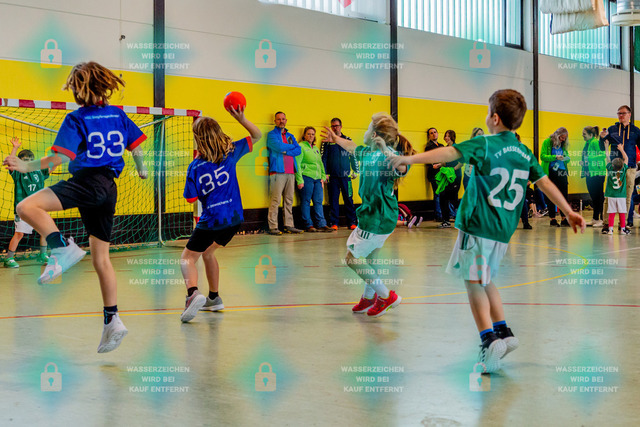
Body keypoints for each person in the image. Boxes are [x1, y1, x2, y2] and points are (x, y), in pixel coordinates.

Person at [390, 89, 585, 373]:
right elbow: (544, 183)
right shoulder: (524, 151)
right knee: (485, 279)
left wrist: (409, 160)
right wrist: (568, 211)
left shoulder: (484, 143)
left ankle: (488, 339)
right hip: (502, 231)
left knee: (472, 282)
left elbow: (449, 152)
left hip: (478, 225)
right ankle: (503, 332)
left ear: (494, 118)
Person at [2, 61, 148, 353]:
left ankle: (61, 249)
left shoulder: (76, 118)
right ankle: (112, 319)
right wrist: (142, 169)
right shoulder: (118, 114)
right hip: (109, 188)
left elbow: (58, 159)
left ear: (78, 90)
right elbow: (137, 146)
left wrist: (24, 165)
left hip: (87, 182)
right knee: (101, 259)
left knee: (26, 207)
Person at [321, 112, 415, 318]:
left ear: (374, 135)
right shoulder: (368, 153)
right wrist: (336, 139)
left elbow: (403, 166)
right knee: (371, 258)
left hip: (378, 217)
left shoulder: (386, 155)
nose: (364, 131)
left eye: (368, 128)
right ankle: (369, 297)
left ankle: (386, 296)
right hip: (375, 216)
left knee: (351, 258)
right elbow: (352, 146)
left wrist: (385, 149)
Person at [179, 107, 262, 322]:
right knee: (208, 252)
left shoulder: (195, 166)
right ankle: (214, 298)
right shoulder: (231, 152)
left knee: (187, 258)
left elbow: (190, 198)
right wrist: (241, 118)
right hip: (235, 219)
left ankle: (192, 294)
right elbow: (257, 135)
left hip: (212, 220)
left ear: (198, 138)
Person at [4, 139, 51, 268]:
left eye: (30, 160)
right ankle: (9, 258)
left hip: (38, 208)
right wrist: (15, 148)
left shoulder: (38, 171)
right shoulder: (18, 173)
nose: (28, 162)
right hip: (23, 209)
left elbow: (50, 168)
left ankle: (43, 255)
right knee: (19, 233)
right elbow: (11, 163)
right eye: (24, 160)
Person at [599, 105, 640, 233]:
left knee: (628, 196)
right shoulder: (612, 129)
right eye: (619, 113)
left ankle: (624, 223)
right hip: (614, 168)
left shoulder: (636, 131)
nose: (620, 115)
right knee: (609, 196)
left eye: (623, 113)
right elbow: (602, 147)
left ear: (629, 114)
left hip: (630, 167)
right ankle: (606, 224)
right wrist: (602, 137)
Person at [266, 111, 302, 235]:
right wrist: (290, 147)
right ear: (275, 121)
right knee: (275, 200)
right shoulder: (271, 135)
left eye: (283, 119)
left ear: (286, 120)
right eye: (279, 119)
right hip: (277, 171)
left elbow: (298, 149)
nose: (281, 121)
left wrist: (286, 151)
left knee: (289, 200)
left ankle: (289, 225)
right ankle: (273, 226)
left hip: (291, 172)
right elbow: (278, 147)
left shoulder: (290, 136)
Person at [321, 118, 359, 230]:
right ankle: (334, 223)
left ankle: (352, 222)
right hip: (333, 177)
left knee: (349, 199)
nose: (335, 128)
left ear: (341, 127)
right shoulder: (327, 142)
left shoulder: (347, 140)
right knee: (333, 200)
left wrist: (356, 170)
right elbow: (323, 158)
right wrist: (325, 173)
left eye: (337, 126)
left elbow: (353, 155)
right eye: (332, 126)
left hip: (346, 177)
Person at [295, 126, 332, 232]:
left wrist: (323, 177)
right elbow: (297, 164)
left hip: (318, 179)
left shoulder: (315, 148)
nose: (311, 136)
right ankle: (308, 225)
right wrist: (299, 180)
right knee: (306, 201)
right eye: (308, 134)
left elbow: (320, 164)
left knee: (318, 201)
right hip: (306, 177)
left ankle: (321, 224)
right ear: (304, 135)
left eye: (312, 134)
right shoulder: (301, 146)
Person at [540, 127, 570, 227]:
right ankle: (552, 218)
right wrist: (555, 157)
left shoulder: (563, 145)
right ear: (557, 136)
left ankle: (564, 218)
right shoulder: (547, 142)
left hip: (562, 171)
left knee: (564, 195)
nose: (563, 140)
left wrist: (566, 158)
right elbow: (542, 156)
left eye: (564, 138)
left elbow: (567, 157)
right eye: (561, 138)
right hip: (551, 171)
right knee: (552, 195)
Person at [581, 126, 606, 227]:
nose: (582, 136)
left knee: (598, 196)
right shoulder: (588, 143)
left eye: (584, 134)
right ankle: (595, 218)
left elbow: (603, 155)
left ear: (591, 135)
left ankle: (601, 219)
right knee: (593, 197)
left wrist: (589, 159)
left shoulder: (595, 142)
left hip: (597, 173)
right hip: (589, 172)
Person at [604, 144, 631, 235]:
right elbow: (626, 158)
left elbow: (607, 157)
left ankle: (610, 230)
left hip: (611, 195)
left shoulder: (610, 168)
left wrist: (606, 147)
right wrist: (621, 149)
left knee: (611, 213)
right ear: (622, 165)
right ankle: (622, 229)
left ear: (612, 165)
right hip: (621, 196)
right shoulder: (624, 169)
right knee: (622, 213)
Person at [437, 130, 462, 228]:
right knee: (443, 197)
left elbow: (461, 163)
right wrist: (439, 165)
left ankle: (465, 217)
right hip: (446, 177)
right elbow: (445, 162)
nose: (446, 138)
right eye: (445, 136)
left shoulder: (457, 148)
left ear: (452, 137)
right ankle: (446, 221)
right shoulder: (446, 148)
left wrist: (452, 170)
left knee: (453, 199)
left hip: (455, 177)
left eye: (448, 136)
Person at [425, 127, 444, 221]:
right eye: (431, 133)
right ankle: (438, 215)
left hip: (442, 173)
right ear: (429, 136)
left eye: (435, 132)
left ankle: (444, 213)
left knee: (443, 194)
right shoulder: (428, 147)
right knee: (437, 194)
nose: (434, 134)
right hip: (434, 174)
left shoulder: (441, 145)